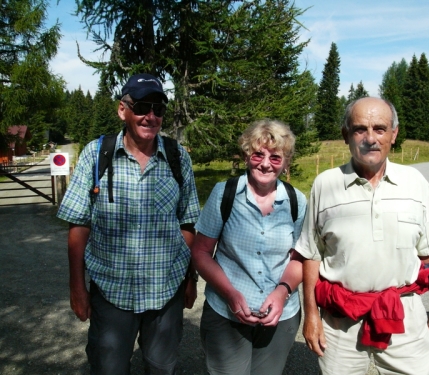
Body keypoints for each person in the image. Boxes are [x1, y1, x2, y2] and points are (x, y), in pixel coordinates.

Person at [57, 73, 200, 375]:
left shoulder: (177, 157)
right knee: (109, 369)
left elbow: (187, 223)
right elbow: (78, 225)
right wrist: (77, 287)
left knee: (162, 369)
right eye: (142, 107)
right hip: (111, 293)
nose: (151, 116)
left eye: (158, 109)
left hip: (166, 292)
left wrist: (189, 278)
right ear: (123, 110)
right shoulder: (96, 155)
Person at [295, 97, 429, 375]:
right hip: (341, 323)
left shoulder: (415, 183)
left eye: (380, 129)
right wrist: (311, 316)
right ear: (346, 135)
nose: (370, 139)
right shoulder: (325, 184)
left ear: (394, 134)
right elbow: (312, 255)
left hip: (405, 319)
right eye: (359, 129)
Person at [190, 119, 307, 375]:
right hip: (225, 314)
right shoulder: (224, 193)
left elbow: (299, 258)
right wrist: (231, 294)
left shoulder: (297, 202)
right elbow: (200, 252)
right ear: (246, 156)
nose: (265, 163)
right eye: (258, 154)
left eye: (276, 157)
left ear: (286, 163)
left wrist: (282, 292)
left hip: (281, 316)